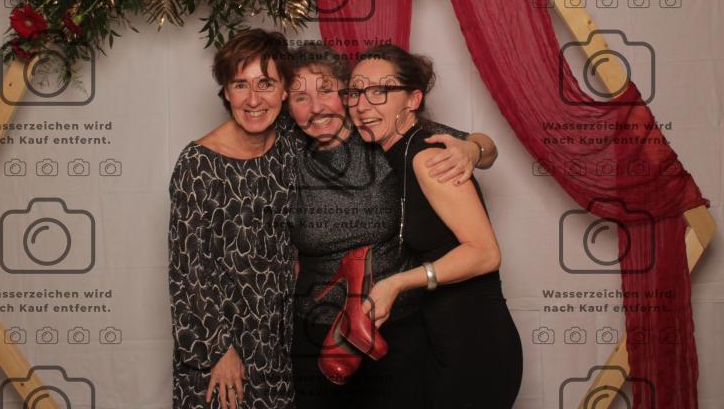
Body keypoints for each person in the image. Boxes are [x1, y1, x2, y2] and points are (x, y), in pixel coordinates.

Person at [285, 43, 500, 409]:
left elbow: (483, 146)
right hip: (317, 331)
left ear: (345, 95)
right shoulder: (285, 157)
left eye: (326, 91)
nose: (316, 107)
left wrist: (473, 149)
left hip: (397, 330)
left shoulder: (381, 134)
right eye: (300, 97)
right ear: (287, 107)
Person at [348, 44, 523, 409]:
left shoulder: (427, 158)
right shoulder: (402, 151)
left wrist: (396, 283)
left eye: (380, 91)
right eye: (356, 91)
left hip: (476, 346)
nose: (363, 105)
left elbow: (485, 254)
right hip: (441, 337)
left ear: (413, 99)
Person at [168, 29, 300, 409]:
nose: (253, 99)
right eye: (240, 84)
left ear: (284, 90)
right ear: (226, 92)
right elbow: (188, 269)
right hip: (218, 346)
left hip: (278, 341)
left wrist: (459, 144)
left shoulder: (291, 142)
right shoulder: (197, 164)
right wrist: (219, 350)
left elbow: (363, 129)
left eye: (266, 83)